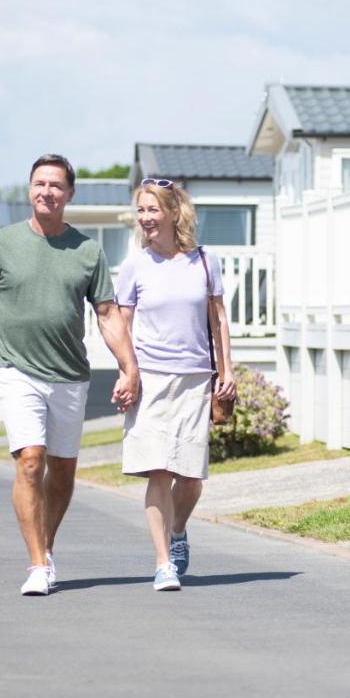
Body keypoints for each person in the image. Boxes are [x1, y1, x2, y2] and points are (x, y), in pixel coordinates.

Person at [0, 154, 140, 596]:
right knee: (30, 462)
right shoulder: (1, 244)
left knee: (62, 472)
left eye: (56, 185)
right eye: (40, 184)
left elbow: (107, 313)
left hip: (70, 375)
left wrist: (129, 367)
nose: (47, 192)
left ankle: (47, 546)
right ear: (29, 190)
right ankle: (37, 564)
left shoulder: (87, 250)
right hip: (18, 371)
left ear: (69, 194)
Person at [114, 178, 235, 592]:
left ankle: (178, 529)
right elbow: (122, 325)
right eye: (141, 211)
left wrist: (227, 370)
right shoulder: (134, 266)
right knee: (158, 471)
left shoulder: (204, 261)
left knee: (191, 476)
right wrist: (126, 372)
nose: (145, 218)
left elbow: (218, 319)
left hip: (196, 378)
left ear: (172, 213)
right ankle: (163, 562)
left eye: (152, 210)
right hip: (150, 380)